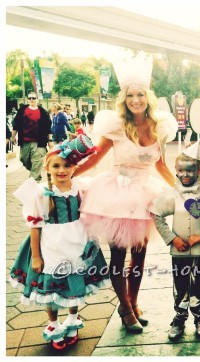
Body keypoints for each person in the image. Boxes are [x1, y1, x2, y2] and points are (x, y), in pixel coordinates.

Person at [74, 55, 177, 334]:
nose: (135, 100)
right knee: (118, 257)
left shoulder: (159, 127)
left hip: (144, 197)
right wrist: (67, 174)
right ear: (125, 98)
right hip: (116, 196)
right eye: (130, 95)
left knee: (140, 257)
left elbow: (161, 165)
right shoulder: (116, 126)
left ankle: (133, 301)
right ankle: (125, 307)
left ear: (148, 97)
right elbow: (95, 158)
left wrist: (184, 188)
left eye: (140, 94)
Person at [9, 136, 110, 350]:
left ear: (75, 168)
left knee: (75, 281)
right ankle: (54, 324)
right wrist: (36, 257)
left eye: (67, 165)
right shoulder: (41, 193)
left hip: (77, 241)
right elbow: (35, 226)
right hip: (52, 245)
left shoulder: (81, 188)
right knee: (52, 287)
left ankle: (73, 320)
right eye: (56, 166)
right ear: (47, 167)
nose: (62, 170)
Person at [150, 142, 200, 340]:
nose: (185, 175)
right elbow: (156, 214)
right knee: (180, 283)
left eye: (190, 170)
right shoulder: (171, 195)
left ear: (199, 171)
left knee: (199, 283)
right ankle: (180, 315)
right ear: (176, 171)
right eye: (181, 170)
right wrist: (172, 238)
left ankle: (199, 316)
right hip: (179, 251)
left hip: (199, 250)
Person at [11, 91, 53, 181]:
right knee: (23, 159)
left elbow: (48, 128)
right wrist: (13, 136)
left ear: (37, 99)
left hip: (39, 143)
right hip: (25, 141)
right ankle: (35, 171)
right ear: (27, 99)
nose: (31, 100)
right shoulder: (22, 110)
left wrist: (50, 141)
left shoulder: (43, 112)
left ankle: (34, 180)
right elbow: (16, 124)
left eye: (33, 98)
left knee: (37, 163)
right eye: (29, 98)